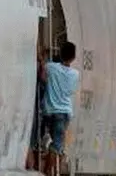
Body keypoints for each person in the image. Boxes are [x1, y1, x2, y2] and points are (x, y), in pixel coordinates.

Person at [39, 42, 81, 175]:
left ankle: (45, 141)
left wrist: (42, 58)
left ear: (60, 53)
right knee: (57, 146)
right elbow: (71, 90)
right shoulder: (75, 74)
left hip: (48, 111)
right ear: (73, 58)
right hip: (64, 113)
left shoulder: (50, 67)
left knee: (53, 141)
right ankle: (47, 172)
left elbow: (43, 78)